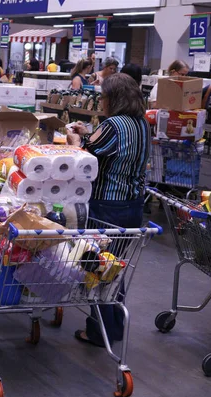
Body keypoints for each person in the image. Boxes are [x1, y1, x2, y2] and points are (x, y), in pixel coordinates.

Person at [67, 73, 150, 348]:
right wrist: (87, 135)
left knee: (99, 269)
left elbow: (85, 157)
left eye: (102, 96)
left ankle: (99, 331)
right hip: (134, 205)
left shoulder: (113, 124)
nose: (100, 101)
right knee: (115, 268)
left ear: (113, 99)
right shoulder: (141, 123)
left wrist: (74, 140)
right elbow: (101, 145)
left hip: (107, 207)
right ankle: (114, 327)